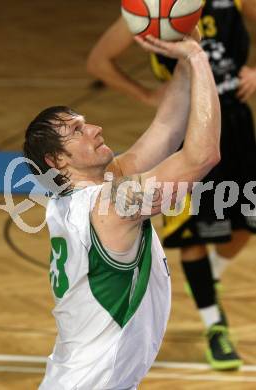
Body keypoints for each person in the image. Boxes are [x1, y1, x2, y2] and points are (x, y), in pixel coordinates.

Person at [23, 32, 220, 389]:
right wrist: (199, 60)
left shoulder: (74, 199)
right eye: (78, 131)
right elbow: (201, 156)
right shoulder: (112, 206)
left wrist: (185, 58)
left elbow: (165, 127)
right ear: (57, 160)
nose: (95, 129)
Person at [87, 0, 256, 370]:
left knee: (246, 227)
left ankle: (210, 278)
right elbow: (99, 60)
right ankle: (215, 326)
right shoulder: (150, 7)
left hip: (238, 124)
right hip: (187, 127)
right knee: (192, 236)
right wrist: (148, 95)